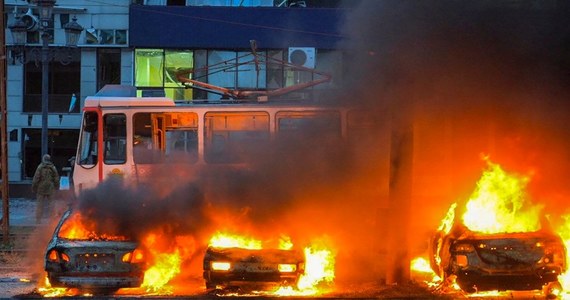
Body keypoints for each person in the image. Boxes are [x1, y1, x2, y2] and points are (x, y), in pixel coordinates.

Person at [32, 154, 60, 223]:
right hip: (51, 188)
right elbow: (56, 178)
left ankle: (38, 220)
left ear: (43, 159)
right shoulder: (53, 167)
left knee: (40, 204)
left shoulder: (40, 167)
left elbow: (36, 178)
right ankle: (52, 220)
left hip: (41, 188)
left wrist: (34, 187)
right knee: (51, 204)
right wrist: (57, 187)